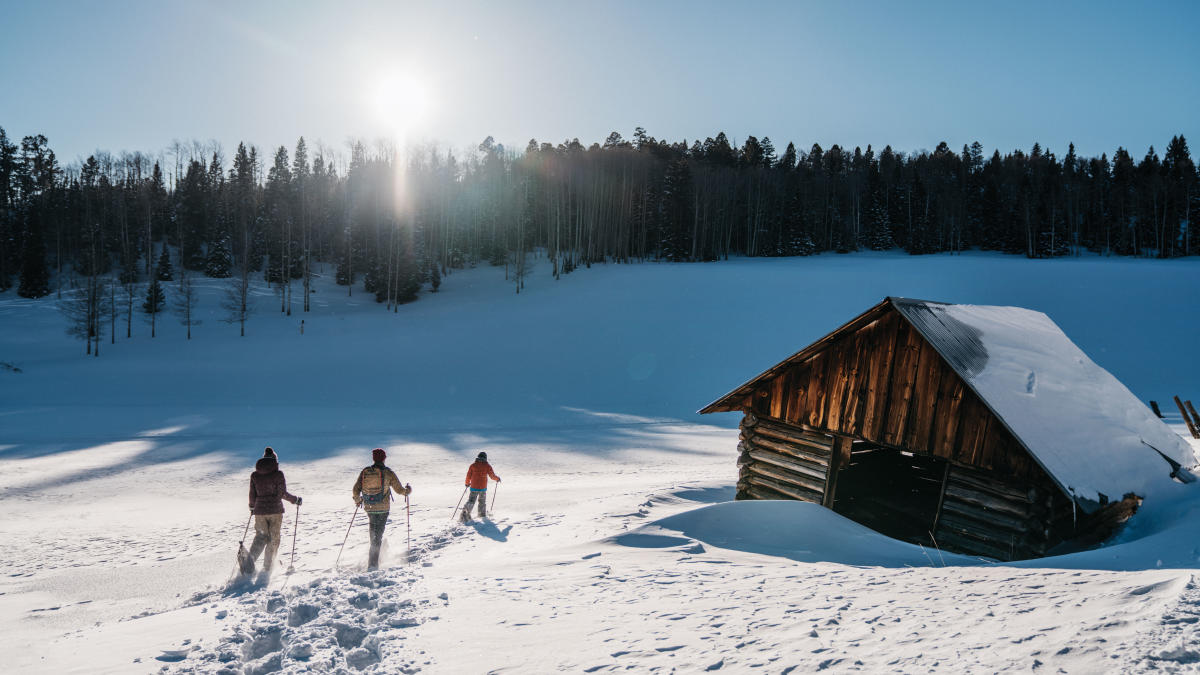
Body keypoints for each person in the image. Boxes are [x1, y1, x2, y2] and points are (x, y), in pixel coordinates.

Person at [352, 448, 411, 570]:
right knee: (377, 536)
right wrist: (408, 491)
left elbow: (356, 489)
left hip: (369, 507)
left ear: (374, 458)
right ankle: (373, 565)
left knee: (374, 534)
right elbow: (399, 490)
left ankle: (374, 560)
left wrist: (358, 501)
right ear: (384, 458)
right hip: (383, 508)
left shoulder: (365, 471)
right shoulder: (387, 472)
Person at [247, 447, 301, 576]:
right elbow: (282, 493)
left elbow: (252, 494)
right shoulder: (278, 474)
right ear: (275, 460)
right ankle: (268, 566)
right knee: (273, 538)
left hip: (259, 511)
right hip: (275, 511)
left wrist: (252, 507)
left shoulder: (255, 475)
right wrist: (295, 500)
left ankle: (249, 562)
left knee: (260, 536)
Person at [460, 451, 500, 523]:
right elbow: (492, 475)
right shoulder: (487, 466)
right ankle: (481, 515)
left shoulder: (473, 465)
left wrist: (467, 483)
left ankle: (465, 513)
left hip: (474, 487)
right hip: (482, 488)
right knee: (482, 501)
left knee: (471, 501)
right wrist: (497, 479)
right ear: (485, 458)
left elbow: (468, 475)